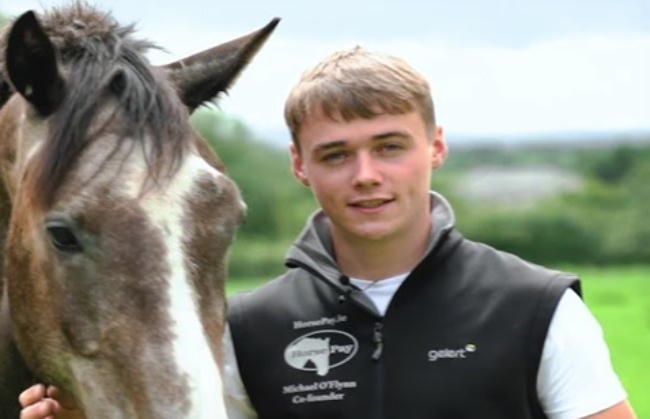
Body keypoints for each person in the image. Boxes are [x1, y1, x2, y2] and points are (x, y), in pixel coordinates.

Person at [20, 46, 636, 419]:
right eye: (336, 154)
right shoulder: (247, 331)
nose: (367, 176)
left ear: (436, 147)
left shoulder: (538, 308)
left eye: (390, 147)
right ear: (299, 166)